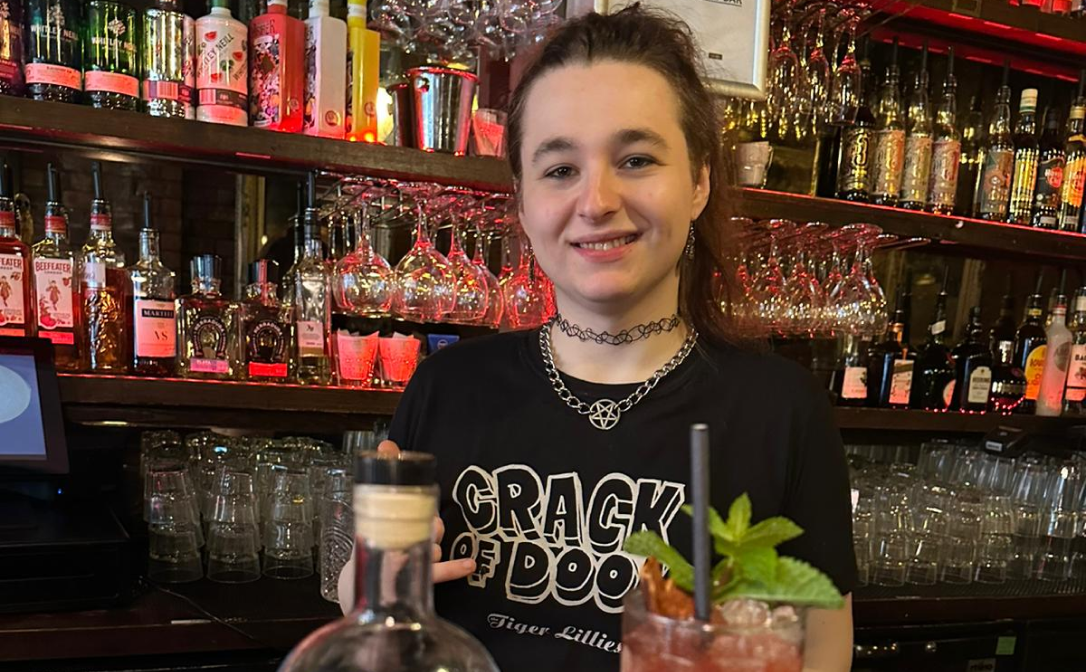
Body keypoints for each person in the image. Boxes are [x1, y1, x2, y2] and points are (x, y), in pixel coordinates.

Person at [340, 7, 856, 671]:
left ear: (699, 180)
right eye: (560, 170)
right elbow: (377, 622)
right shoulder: (447, 387)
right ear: (523, 201)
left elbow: (824, 650)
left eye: (637, 159)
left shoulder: (783, 410)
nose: (597, 201)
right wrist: (364, 591)